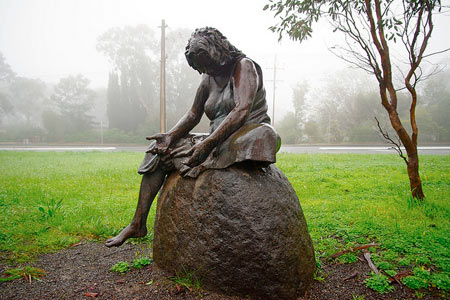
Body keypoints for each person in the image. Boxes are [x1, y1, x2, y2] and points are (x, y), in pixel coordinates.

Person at [105, 27, 280, 247]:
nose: (206, 70)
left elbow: (241, 109)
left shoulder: (244, 67)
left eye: (208, 63)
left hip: (246, 132)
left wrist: (208, 144)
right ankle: (137, 223)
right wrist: (170, 136)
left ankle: (212, 154)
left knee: (260, 137)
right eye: (201, 67)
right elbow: (193, 114)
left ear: (219, 51)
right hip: (217, 138)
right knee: (159, 151)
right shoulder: (208, 78)